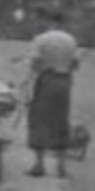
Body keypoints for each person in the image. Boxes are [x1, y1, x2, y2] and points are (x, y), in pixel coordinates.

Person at [26, 12, 79, 178]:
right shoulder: (71, 40)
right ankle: (61, 167)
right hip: (64, 81)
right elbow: (75, 63)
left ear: (48, 21)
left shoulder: (41, 39)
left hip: (47, 79)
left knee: (39, 119)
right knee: (61, 121)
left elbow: (35, 62)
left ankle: (39, 164)